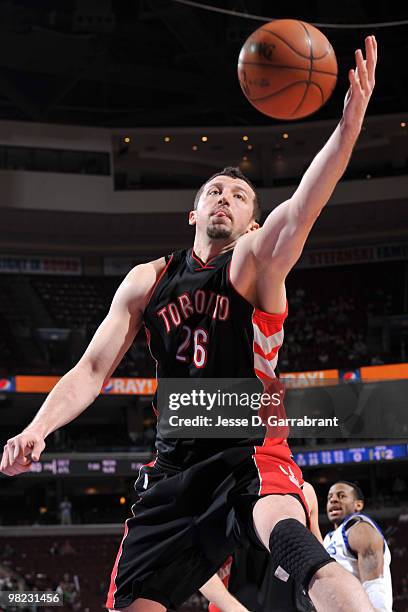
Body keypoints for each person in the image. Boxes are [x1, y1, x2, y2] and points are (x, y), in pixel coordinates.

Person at [1, 35, 377, 612]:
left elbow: (303, 208)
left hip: (250, 446)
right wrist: (37, 429)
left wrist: (348, 129)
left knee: (298, 548)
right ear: (194, 212)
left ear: (253, 223)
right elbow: (92, 369)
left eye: (241, 194)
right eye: (215, 191)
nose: (226, 197)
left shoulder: (254, 265)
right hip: (175, 465)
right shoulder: (147, 280)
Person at [201, 481, 321, 612]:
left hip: (292, 601)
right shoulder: (227, 487)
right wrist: (234, 608)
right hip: (238, 599)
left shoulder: (305, 490)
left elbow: (318, 552)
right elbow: (196, 562)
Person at [324, 481, 393, 612]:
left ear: (358, 505)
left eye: (341, 496)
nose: (333, 500)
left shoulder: (360, 528)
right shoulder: (328, 538)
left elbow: (374, 584)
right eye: (330, 497)